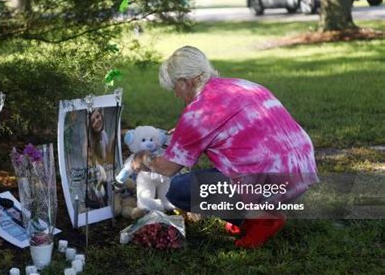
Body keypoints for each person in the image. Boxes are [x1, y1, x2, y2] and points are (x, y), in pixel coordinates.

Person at [131, 46, 319, 248]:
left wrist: (142, 159)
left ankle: (260, 218)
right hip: (300, 170)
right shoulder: (243, 84)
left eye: (174, 88)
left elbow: (167, 168)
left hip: (266, 178)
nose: (175, 94)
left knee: (176, 189)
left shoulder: (197, 112)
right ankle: (254, 214)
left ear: (185, 82)